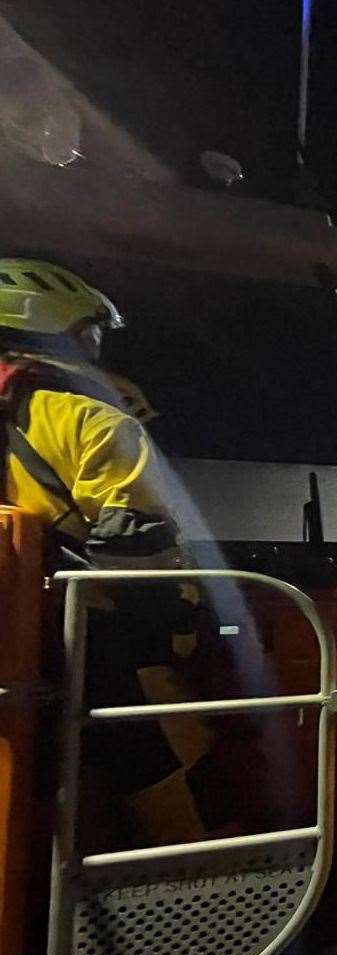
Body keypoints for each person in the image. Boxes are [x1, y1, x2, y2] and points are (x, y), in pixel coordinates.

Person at [0, 257, 230, 846]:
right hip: (97, 649)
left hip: (23, 648)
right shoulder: (88, 418)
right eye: (87, 333)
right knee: (175, 762)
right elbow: (141, 554)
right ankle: (198, 889)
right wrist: (185, 633)